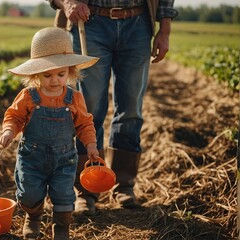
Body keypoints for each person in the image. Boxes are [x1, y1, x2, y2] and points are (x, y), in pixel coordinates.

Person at [47, 0, 178, 214]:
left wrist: (164, 30)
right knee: (89, 111)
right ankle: (86, 189)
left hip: (138, 24)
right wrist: (68, 2)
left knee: (131, 110)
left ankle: (124, 185)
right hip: (90, 23)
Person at [0, 27, 99, 240]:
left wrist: (90, 145)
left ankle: (61, 229)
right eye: (47, 75)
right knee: (29, 194)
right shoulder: (28, 96)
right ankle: (33, 217)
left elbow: (84, 124)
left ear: (70, 72)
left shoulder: (74, 98)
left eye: (61, 74)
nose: (55, 80)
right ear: (35, 74)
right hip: (31, 158)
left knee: (63, 195)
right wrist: (9, 131)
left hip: (64, 159)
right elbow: (14, 117)